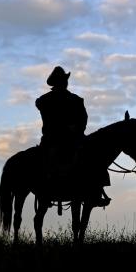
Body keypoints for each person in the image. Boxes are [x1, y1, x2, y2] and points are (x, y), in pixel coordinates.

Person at [35, 66, 110, 207]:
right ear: (56, 82)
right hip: (53, 138)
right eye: (61, 80)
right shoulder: (44, 100)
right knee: (48, 160)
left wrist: (77, 128)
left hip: (74, 137)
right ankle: (47, 189)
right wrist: (65, 127)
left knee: (95, 155)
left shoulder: (76, 100)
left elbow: (83, 119)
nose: (64, 83)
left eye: (64, 80)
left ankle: (96, 190)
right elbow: (49, 117)